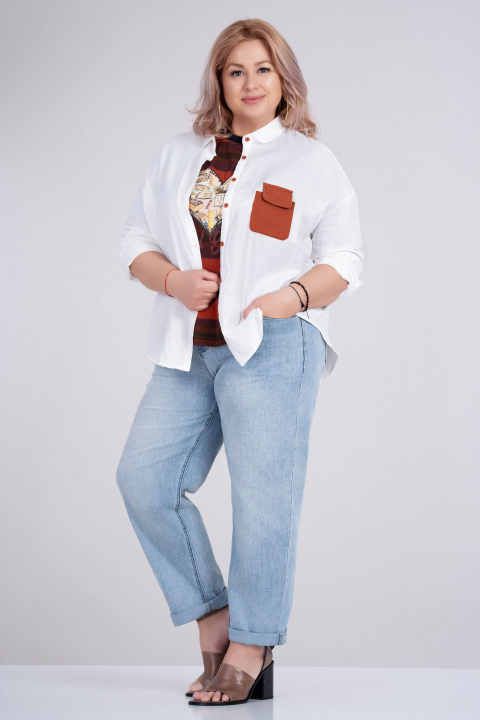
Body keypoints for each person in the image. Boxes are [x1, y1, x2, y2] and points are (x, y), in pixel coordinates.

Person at [116, 17, 364, 706]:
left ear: (283, 80)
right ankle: (216, 618)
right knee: (144, 480)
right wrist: (172, 280)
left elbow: (345, 259)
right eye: (236, 71)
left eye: (263, 69)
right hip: (187, 345)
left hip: (272, 344)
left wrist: (293, 297)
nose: (250, 83)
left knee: (263, 501)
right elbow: (135, 239)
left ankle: (253, 645)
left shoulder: (311, 162)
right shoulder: (178, 155)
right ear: (219, 82)